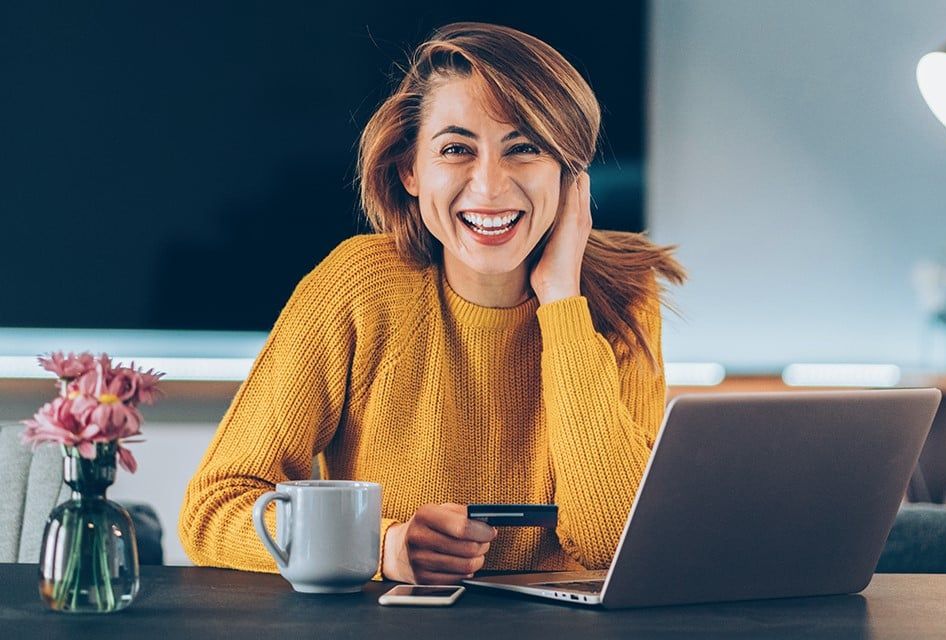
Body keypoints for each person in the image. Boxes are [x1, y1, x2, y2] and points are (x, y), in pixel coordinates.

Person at [178, 21, 686, 585]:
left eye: (524, 148)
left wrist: (562, 301)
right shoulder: (360, 286)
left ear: (571, 177)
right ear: (411, 171)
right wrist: (381, 548)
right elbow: (213, 508)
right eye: (456, 149)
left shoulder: (624, 297)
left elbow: (615, 539)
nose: (490, 186)